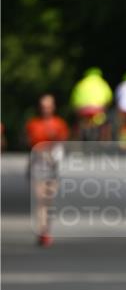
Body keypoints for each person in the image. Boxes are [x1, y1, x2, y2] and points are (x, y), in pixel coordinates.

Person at [24, 94, 70, 246]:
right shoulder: (33, 124)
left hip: (53, 166)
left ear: (53, 107)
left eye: (49, 106)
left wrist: (56, 156)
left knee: (49, 200)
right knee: (40, 200)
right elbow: (30, 145)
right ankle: (42, 231)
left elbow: (63, 144)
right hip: (38, 164)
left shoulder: (59, 124)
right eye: (43, 106)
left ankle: (47, 229)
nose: (46, 109)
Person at [70, 67, 113, 140]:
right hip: (98, 110)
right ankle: (104, 141)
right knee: (104, 124)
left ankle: (76, 140)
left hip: (83, 111)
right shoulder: (102, 83)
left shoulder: (81, 83)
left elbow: (73, 100)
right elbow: (109, 98)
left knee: (77, 124)